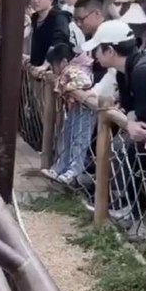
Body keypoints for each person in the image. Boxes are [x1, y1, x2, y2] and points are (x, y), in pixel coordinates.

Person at [82, 20, 146, 219]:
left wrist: (134, 124)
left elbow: (144, 119)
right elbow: (131, 110)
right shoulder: (125, 72)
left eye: (98, 49)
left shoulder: (144, 72)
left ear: (110, 51)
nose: (95, 55)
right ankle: (126, 204)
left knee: (129, 149)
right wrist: (130, 123)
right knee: (125, 147)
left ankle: (134, 210)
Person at [40, 43, 98, 185]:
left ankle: (73, 172)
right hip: (76, 108)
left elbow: (85, 82)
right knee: (67, 137)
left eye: (54, 65)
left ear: (64, 62)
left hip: (85, 110)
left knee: (79, 140)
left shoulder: (73, 70)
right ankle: (60, 168)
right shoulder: (67, 72)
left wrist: (67, 87)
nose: (53, 69)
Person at [27, 0, 71, 74]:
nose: (35, 1)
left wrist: (46, 64)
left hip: (53, 69)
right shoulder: (34, 18)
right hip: (35, 67)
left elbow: (59, 42)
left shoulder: (59, 17)